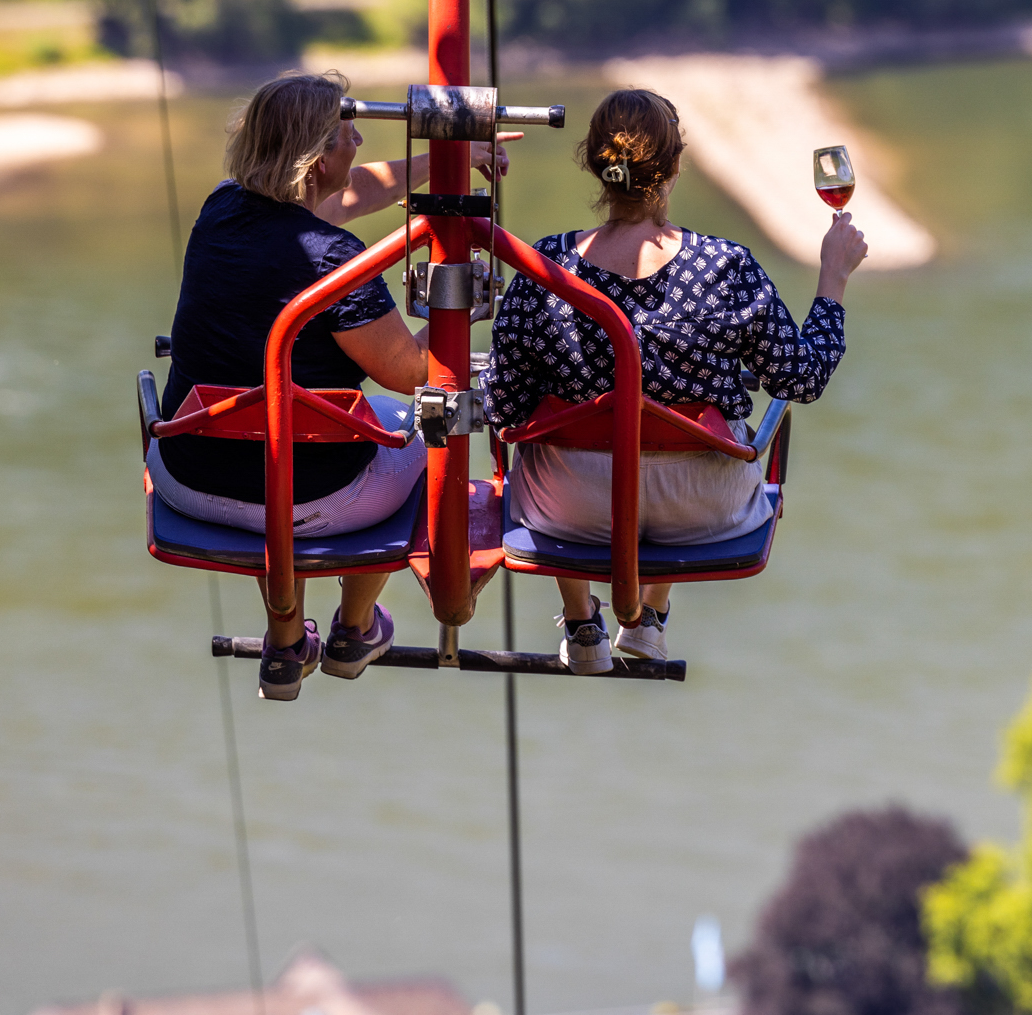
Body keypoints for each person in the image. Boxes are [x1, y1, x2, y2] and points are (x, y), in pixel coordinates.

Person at [151, 71, 511, 700]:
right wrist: (459, 300)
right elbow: (406, 371)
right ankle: (355, 625)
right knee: (423, 426)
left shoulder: (220, 210)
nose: (361, 142)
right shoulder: (334, 259)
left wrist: (444, 159)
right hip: (304, 502)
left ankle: (285, 637)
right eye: (350, 134)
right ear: (317, 160)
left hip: (188, 478)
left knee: (271, 422)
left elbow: (342, 198)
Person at [484, 88, 867, 673]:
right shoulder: (724, 267)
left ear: (594, 163)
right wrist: (832, 279)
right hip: (703, 509)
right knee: (694, 410)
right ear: (675, 166)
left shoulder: (543, 268)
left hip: (569, 509)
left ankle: (583, 621)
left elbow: (503, 406)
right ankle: (648, 620)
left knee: (553, 420)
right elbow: (802, 376)